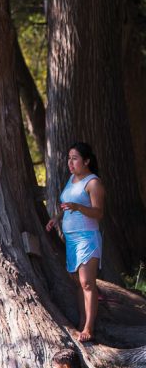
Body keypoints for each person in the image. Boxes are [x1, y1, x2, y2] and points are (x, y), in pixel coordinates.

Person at [45, 142, 104, 343]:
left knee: (88, 283)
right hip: (71, 238)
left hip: (87, 237)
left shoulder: (93, 183)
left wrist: (78, 207)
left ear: (86, 161)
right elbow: (67, 205)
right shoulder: (71, 179)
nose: (70, 163)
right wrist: (56, 218)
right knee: (79, 284)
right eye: (69, 158)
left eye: (75, 158)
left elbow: (98, 213)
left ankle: (89, 327)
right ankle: (81, 322)